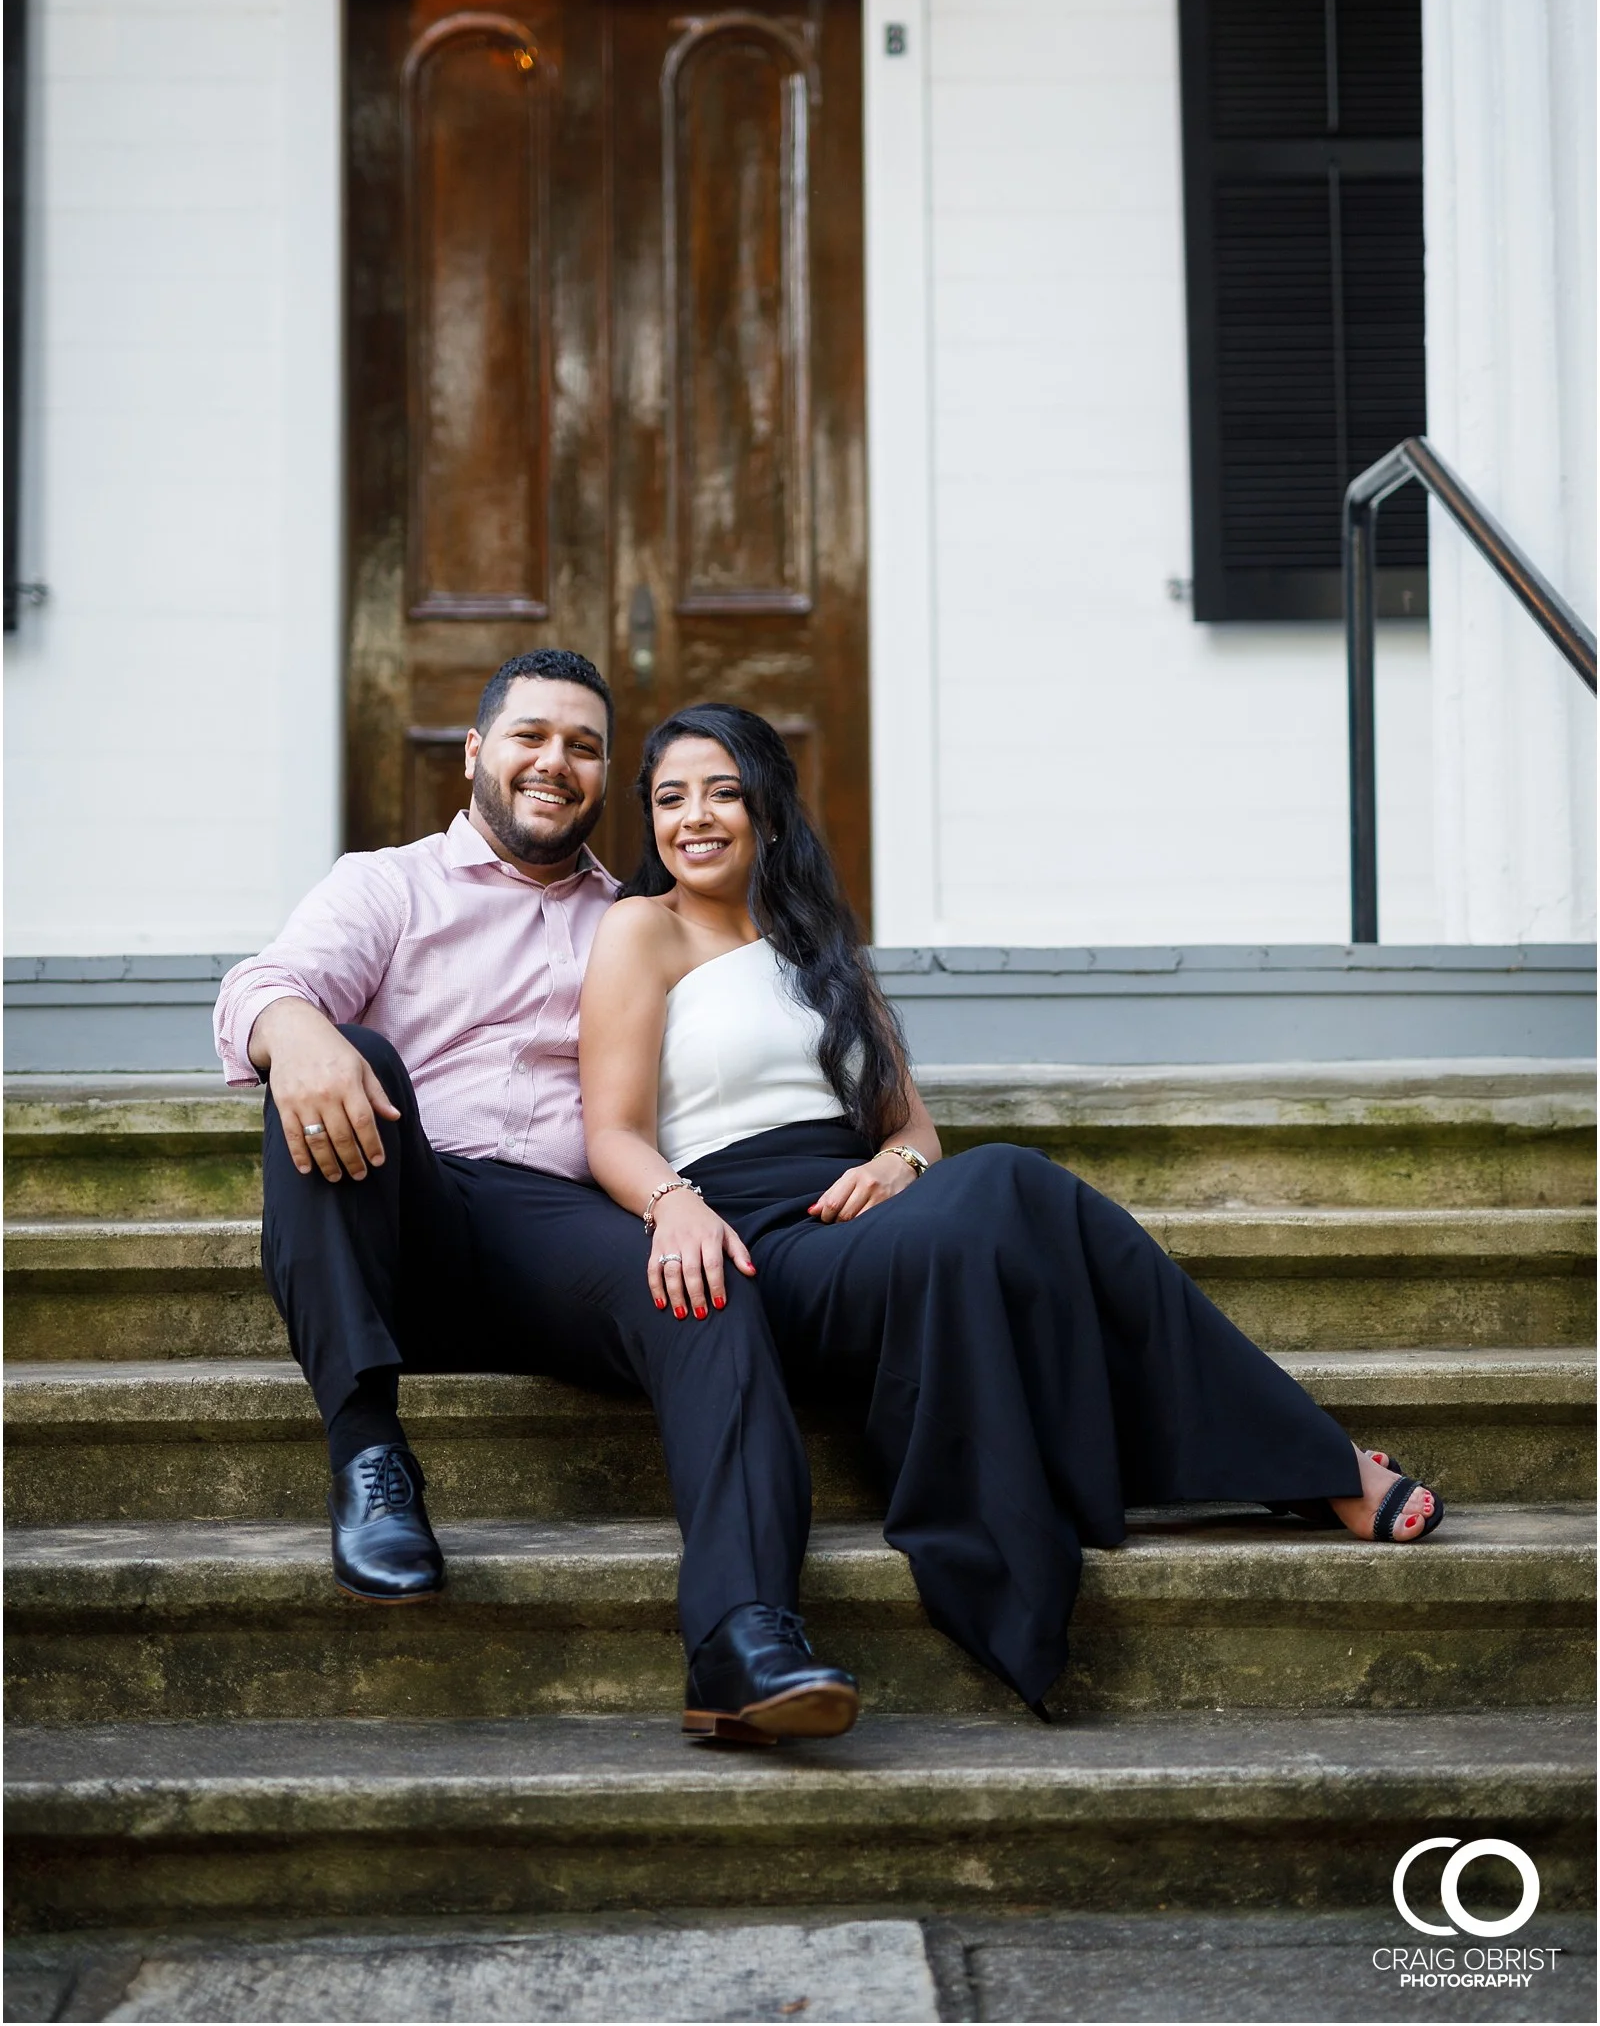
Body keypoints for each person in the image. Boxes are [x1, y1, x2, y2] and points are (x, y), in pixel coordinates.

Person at [579, 701, 1444, 1739]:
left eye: (722, 791)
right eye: (671, 798)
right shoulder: (642, 930)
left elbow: (911, 1128)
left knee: (1007, 1189)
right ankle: (1311, 1463)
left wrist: (898, 1167)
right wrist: (673, 1206)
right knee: (1013, 1184)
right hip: (751, 1233)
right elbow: (612, 1132)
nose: (697, 817)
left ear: (768, 807)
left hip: (864, 1210)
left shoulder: (821, 947)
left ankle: (1298, 1464)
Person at [212, 651, 834, 1742]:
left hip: (555, 1228)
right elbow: (262, 984)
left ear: (603, 779)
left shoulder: (639, 919)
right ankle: (369, 1455)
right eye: (531, 736)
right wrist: (295, 1032)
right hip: (397, 1203)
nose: (556, 763)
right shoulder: (389, 884)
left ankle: (743, 1639)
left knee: (708, 1283)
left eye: (585, 748)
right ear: (476, 754)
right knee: (336, 1054)